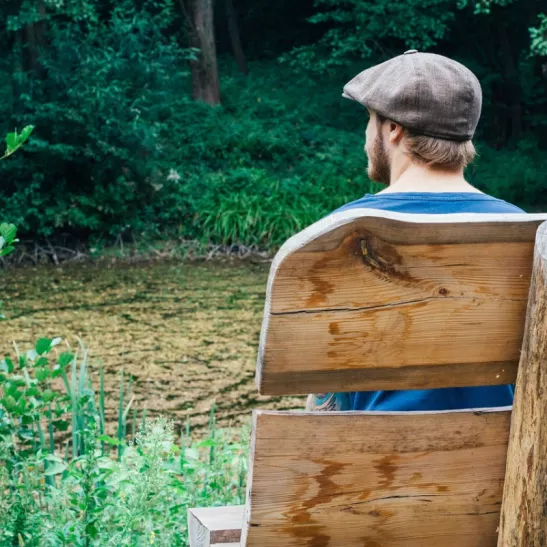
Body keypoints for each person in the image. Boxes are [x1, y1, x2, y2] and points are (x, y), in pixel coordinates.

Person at [307, 50, 524, 412]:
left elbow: (325, 393)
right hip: (495, 466)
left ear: (393, 129)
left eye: (370, 119)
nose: (365, 134)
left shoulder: (342, 233)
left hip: (374, 464)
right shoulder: (525, 231)